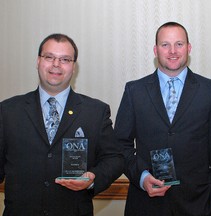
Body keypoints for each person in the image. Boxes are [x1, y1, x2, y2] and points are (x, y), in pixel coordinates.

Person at [0, 33, 124, 216]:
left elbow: (115, 159)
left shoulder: (95, 112)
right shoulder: (8, 111)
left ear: (74, 67)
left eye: (65, 59)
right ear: (38, 61)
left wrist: (92, 178)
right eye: (49, 57)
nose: (56, 65)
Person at [114, 22, 211, 216]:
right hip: (146, 204)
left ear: (189, 48)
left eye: (179, 44)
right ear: (155, 50)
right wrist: (142, 177)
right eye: (165, 44)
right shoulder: (135, 91)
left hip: (197, 204)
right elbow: (120, 145)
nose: (173, 51)